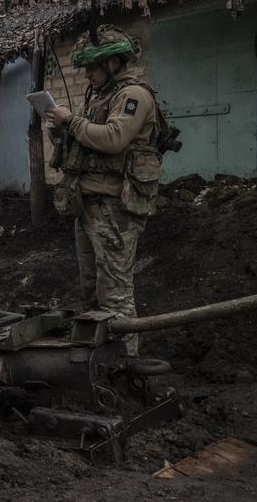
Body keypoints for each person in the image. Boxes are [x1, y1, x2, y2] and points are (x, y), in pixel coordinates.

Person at [45, 24, 164, 356]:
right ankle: (99, 361)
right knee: (91, 291)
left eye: (92, 67)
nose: (86, 75)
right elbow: (85, 141)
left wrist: (72, 121)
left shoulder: (133, 95)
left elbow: (114, 139)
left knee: (115, 293)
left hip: (114, 208)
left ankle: (127, 362)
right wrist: (61, 128)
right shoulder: (100, 97)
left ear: (113, 63)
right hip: (88, 204)